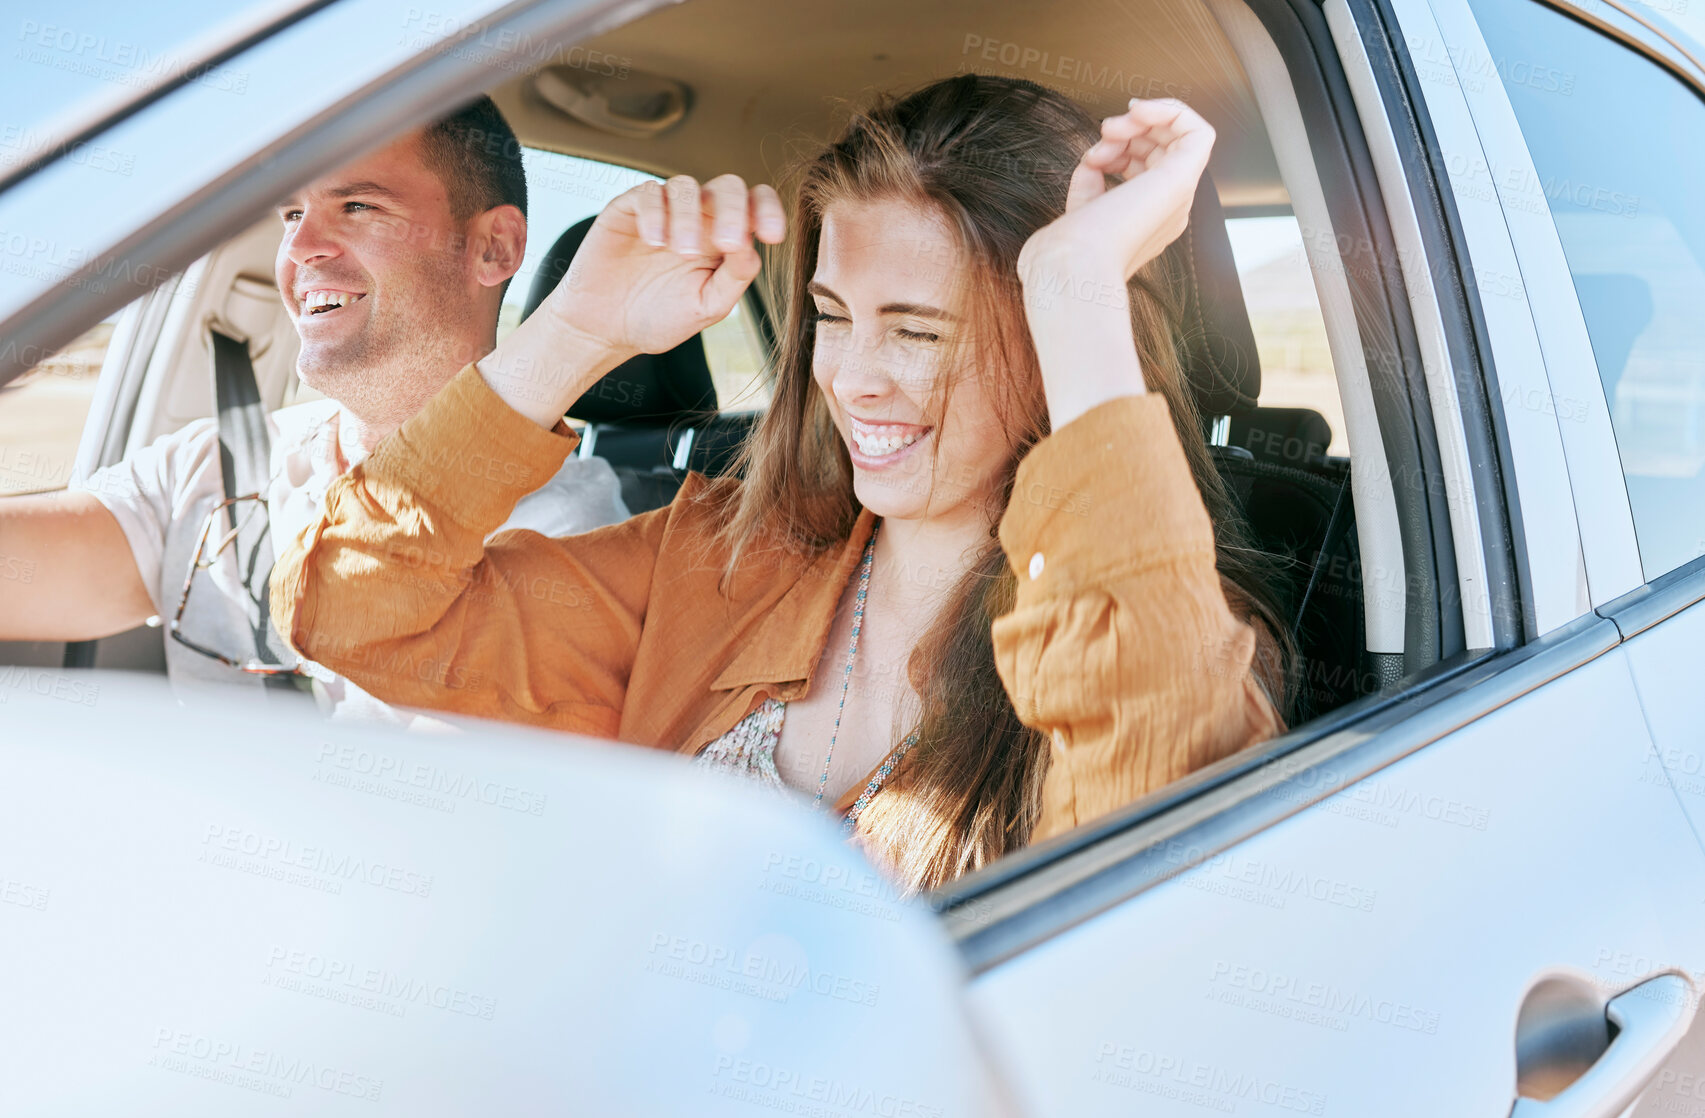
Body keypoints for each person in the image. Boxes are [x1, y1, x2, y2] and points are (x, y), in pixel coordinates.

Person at [272, 75, 1292, 887]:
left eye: (919, 329)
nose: (851, 375)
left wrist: (1076, 289)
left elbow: (1164, 854)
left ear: (1044, 347)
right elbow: (352, 608)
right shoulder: (717, 558)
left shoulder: (1156, 628)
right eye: (835, 315)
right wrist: (574, 332)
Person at [0, 98, 629, 724]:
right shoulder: (214, 468)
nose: (299, 247)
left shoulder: (570, 543)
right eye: (292, 213)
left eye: (357, 206)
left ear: (495, 247)